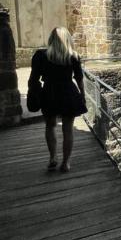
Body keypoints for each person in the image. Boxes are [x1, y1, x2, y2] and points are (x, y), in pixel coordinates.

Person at [28, 27, 87, 172]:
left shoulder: (41, 55)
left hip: (49, 93)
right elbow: (79, 79)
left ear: (51, 39)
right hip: (68, 93)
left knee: (50, 125)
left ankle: (53, 157)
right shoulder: (73, 56)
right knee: (68, 129)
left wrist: (34, 92)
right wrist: (83, 95)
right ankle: (66, 163)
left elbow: (33, 79)